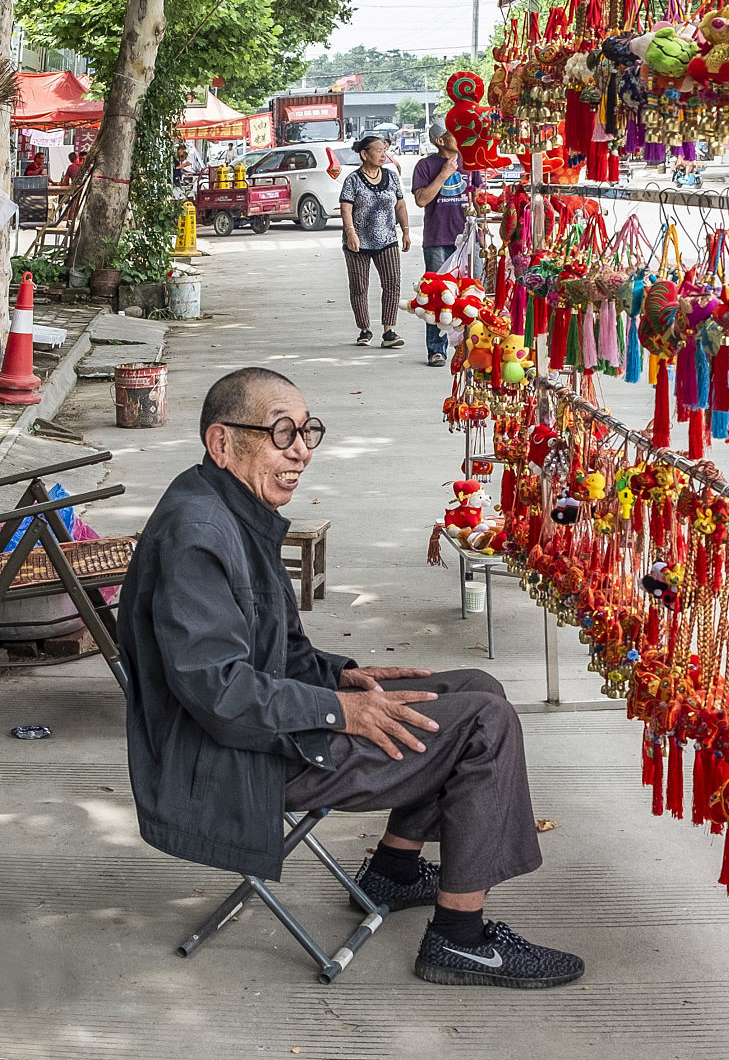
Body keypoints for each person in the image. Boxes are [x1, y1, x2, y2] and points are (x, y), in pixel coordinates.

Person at [117, 367, 584, 989]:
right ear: (222, 442)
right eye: (282, 434)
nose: (302, 451)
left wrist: (346, 677)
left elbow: (274, 650)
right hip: (227, 756)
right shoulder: (200, 533)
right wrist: (342, 710)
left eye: (307, 432)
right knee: (485, 725)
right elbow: (219, 692)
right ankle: (459, 940)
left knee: (477, 687)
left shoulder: (232, 507)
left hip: (259, 728)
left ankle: (393, 868)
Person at [412, 118, 480, 369]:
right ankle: (436, 350)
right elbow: (421, 200)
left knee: (472, 294)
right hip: (438, 239)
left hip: (469, 239)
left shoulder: (472, 163)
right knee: (438, 297)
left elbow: (479, 197)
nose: (461, 137)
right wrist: (444, 174)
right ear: (441, 141)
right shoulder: (425, 165)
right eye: (454, 133)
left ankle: (473, 345)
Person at [340, 136, 412, 348]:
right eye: (379, 150)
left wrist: (405, 231)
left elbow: (400, 205)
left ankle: (389, 331)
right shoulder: (352, 180)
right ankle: (365, 329)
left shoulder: (390, 176)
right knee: (359, 286)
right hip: (357, 242)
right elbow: (346, 208)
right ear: (364, 154)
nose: (383, 155)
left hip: (387, 239)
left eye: (385, 150)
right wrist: (351, 232)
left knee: (392, 282)